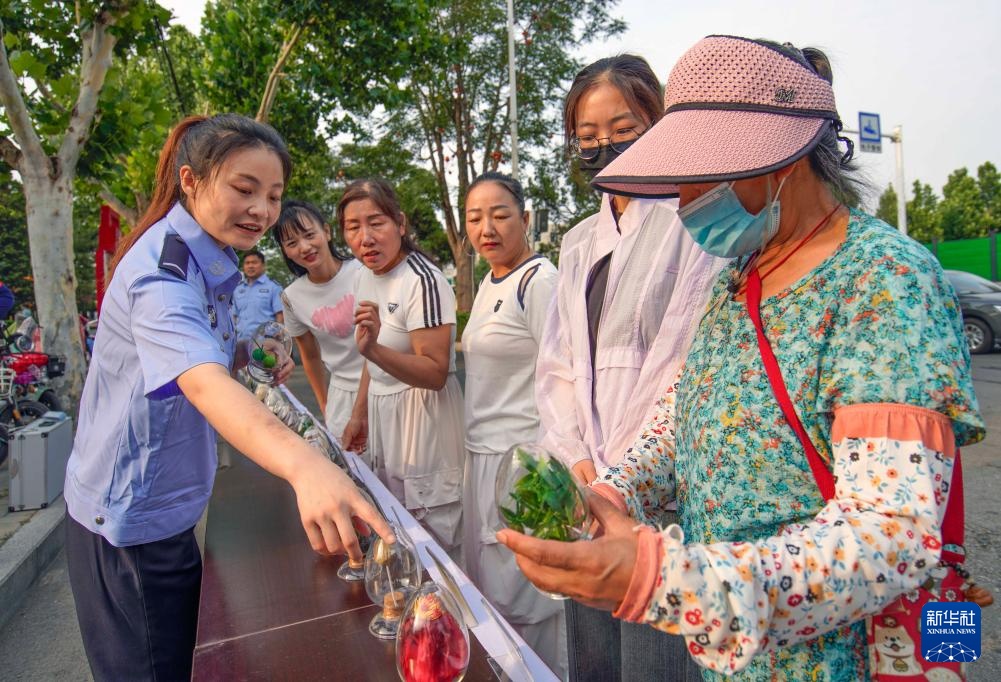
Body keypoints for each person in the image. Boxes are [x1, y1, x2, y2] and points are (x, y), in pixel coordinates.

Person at [499, 35, 987, 680]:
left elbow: (892, 534)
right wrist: (613, 494)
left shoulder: (882, 278)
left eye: (701, 173)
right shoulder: (739, 281)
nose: (684, 199)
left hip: (841, 658)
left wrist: (664, 577)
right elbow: (685, 418)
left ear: (780, 160)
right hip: (740, 655)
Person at [63, 114, 393, 681]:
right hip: (128, 525)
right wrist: (307, 468)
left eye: (273, 195)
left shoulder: (207, 260)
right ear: (190, 180)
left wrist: (246, 354)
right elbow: (201, 381)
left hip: (169, 509)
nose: (262, 211)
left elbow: (208, 355)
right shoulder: (161, 275)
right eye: (244, 189)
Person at [533, 55, 721, 681]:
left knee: (654, 659)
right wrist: (579, 460)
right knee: (591, 654)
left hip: (659, 483)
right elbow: (560, 363)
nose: (604, 146)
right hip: (586, 483)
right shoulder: (578, 240)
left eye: (621, 128)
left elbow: (682, 359)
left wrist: (625, 473)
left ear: (657, 123)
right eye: (586, 137)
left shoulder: (691, 224)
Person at [459, 172, 564, 674]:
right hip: (482, 458)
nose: (488, 228)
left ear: (525, 218)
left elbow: (566, 378)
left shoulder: (538, 281)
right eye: (475, 217)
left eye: (500, 214)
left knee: (530, 602)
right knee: (494, 597)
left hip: (522, 469)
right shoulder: (488, 282)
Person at [340, 178, 465, 553]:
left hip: (423, 421)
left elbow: (435, 372)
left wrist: (375, 351)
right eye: (352, 227)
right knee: (397, 532)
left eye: (376, 222)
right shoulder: (364, 275)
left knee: (436, 543)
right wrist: (358, 413)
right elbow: (369, 353)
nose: (366, 237)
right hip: (382, 417)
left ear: (401, 223)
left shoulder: (422, 280)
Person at [273, 200, 365, 437]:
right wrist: (325, 405)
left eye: (309, 235)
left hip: (388, 388)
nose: (304, 247)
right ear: (285, 251)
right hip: (343, 398)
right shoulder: (291, 297)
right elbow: (310, 354)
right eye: (292, 243)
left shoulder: (364, 270)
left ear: (326, 231)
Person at [232, 249, 283, 341]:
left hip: (266, 343)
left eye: (254, 262)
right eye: (247, 263)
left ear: (263, 265)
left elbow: (280, 315)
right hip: (241, 342)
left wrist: (279, 337)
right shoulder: (238, 289)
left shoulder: (273, 287)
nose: (250, 266)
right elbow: (234, 316)